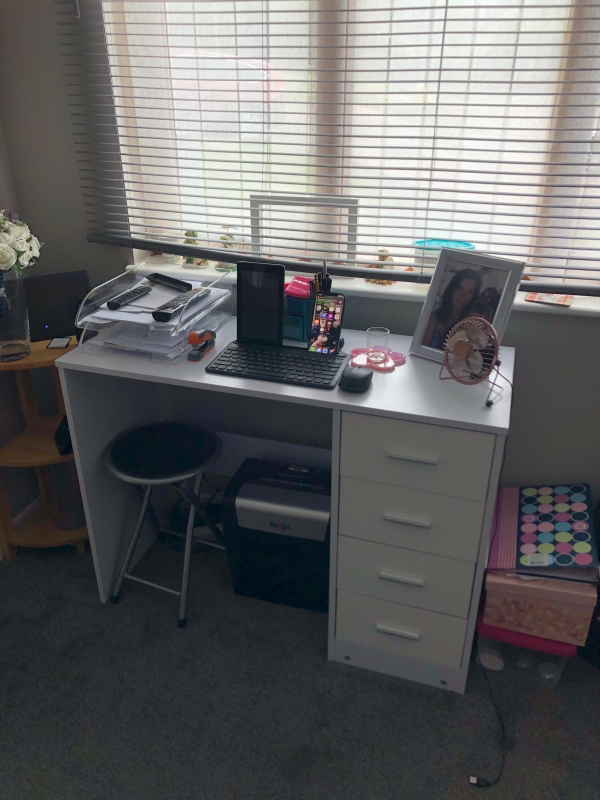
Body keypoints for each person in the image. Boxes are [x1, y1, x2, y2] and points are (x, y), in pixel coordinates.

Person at [422, 268, 482, 349]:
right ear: (452, 289)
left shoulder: (472, 323)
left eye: (470, 292)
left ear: (474, 296)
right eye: (459, 288)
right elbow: (421, 350)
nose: (463, 296)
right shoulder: (433, 318)